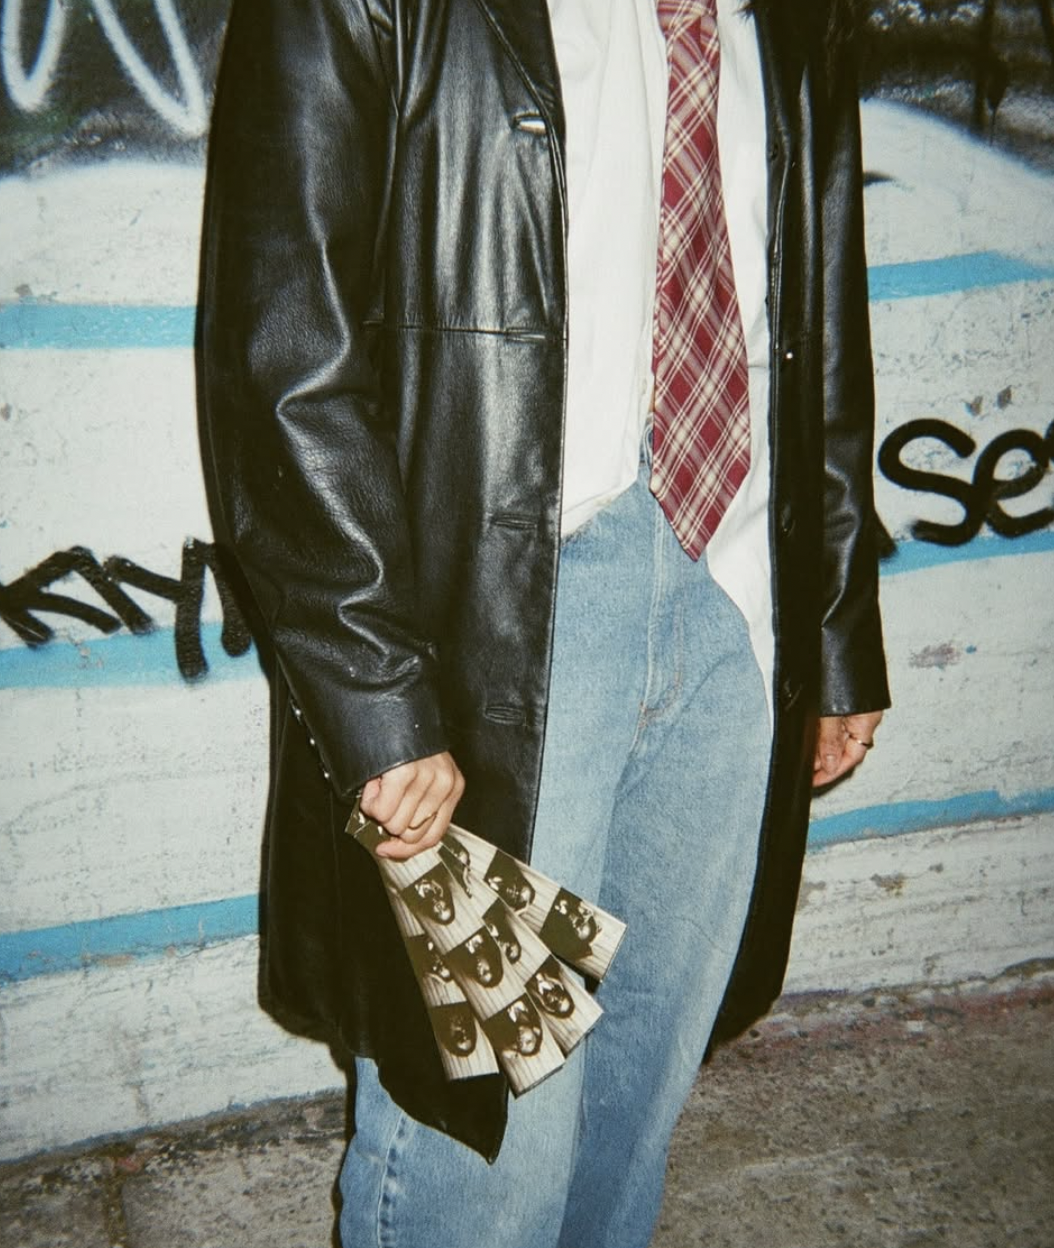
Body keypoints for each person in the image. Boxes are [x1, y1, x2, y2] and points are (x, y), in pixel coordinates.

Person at [199, 0, 889, 1244]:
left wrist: (835, 631)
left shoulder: (786, 19)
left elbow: (822, 322)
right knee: (490, 1134)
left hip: (734, 609)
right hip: (493, 636)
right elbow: (279, 355)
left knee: (633, 1097)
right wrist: (377, 694)